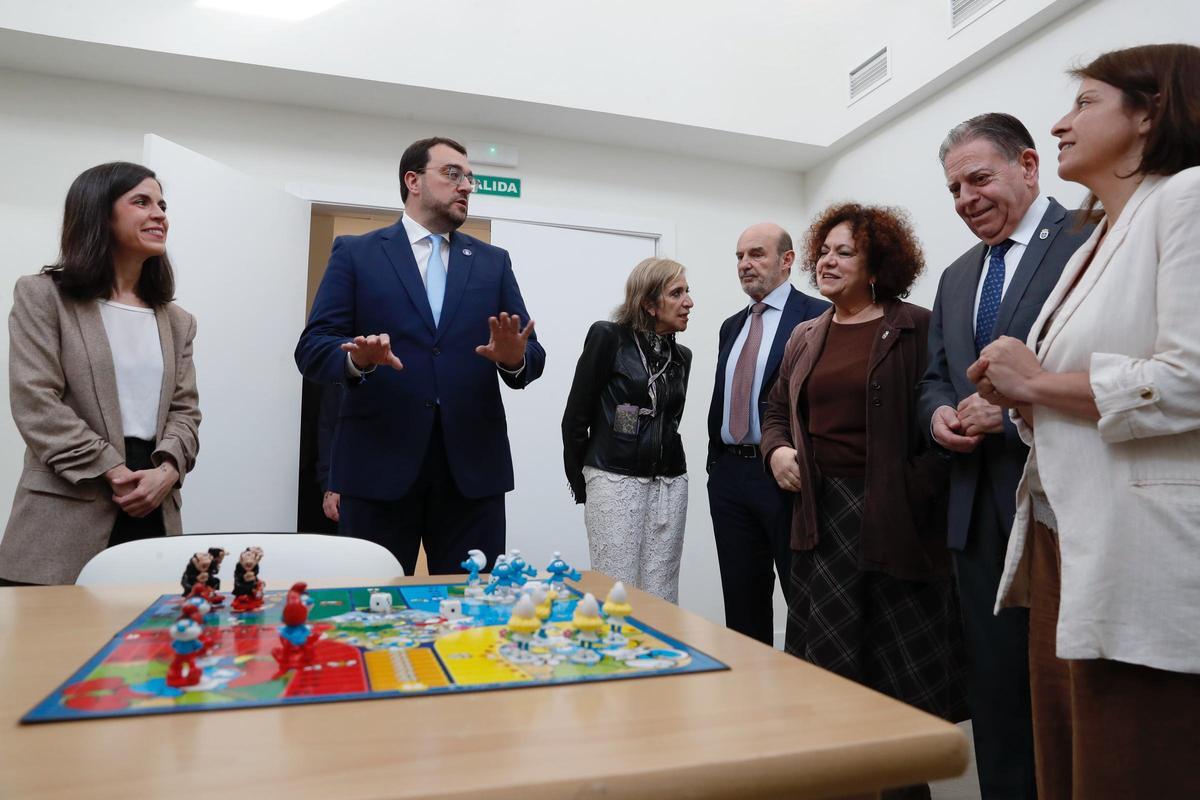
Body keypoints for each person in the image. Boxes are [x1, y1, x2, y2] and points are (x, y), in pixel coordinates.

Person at [968, 44, 1200, 800]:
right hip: (1062, 537)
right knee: (1067, 770)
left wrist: (1037, 383)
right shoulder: (1095, 237)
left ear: (1150, 112)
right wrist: (1025, 394)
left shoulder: (1188, 198)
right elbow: (1069, 394)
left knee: (1130, 768)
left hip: (1139, 550)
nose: (1062, 124)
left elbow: (1190, 380)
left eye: (1085, 103)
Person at [761, 204, 967, 797]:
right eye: (823, 250)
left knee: (897, 677)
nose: (827, 260)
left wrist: (914, 486)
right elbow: (777, 410)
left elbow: (943, 411)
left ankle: (902, 788)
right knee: (828, 671)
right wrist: (777, 452)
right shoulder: (807, 333)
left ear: (878, 261)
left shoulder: (917, 325)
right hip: (819, 520)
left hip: (895, 522)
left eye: (843, 251)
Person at [916, 112, 1093, 799]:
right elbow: (936, 374)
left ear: (1028, 165)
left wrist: (1019, 407)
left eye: (978, 179)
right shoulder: (958, 276)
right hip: (974, 515)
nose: (965, 200)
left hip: (1061, 506)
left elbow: (1102, 360)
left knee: (1071, 692)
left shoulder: (1090, 239)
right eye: (954, 189)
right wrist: (938, 417)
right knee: (994, 694)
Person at [295, 137, 544, 576]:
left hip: (472, 474)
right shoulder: (357, 254)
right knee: (371, 609)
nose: (466, 185)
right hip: (377, 469)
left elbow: (530, 352)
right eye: (453, 174)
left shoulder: (492, 263)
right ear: (412, 180)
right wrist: (358, 360)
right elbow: (313, 347)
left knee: (473, 614)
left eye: (470, 178)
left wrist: (514, 358)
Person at [0, 161, 201, 586]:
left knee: (152, 650)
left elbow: (186, 412)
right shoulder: (42, 297)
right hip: (63, 518)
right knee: (52, 652)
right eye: (142, 202)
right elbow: (36, 401)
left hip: (152, 509)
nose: (160, 214)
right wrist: (112, 467)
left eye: (163, 205)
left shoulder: (178, 321)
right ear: (99, 214)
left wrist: (165, 472)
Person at [706, 223, 829, 644]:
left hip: (784, 475)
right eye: (739, 256)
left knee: (805, 598)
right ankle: (749, 697)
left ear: (787, 260)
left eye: (756, 254)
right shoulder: (731, 325)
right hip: (729, 477)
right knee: (742, 603)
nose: (745, 265)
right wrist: (716, 466)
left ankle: (809, 697)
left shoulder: (817, 316)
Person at [562, 257, 693, 602]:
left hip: (669, 483)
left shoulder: (683, 357)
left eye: (687, 292)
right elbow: (575, 417)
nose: (689, 302)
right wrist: (584, 481)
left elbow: (671, 419)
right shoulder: (608, 337)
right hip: (614, 479)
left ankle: (658, 656)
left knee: (662, 592)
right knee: (616, 590)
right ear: (648, 304)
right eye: (677, 293)